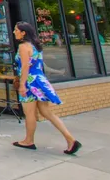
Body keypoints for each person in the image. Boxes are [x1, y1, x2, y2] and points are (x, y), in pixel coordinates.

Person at [12, 21, 81, 155]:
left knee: (30, 114)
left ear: (23, 32)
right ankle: (70, 139)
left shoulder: (23, 46)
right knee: (47, 112)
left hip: (29, 83)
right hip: (41, 81)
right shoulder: (35, 46)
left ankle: (28, 141)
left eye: (16, 30)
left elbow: (25, 67)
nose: (14, 32)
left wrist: (22, 85)